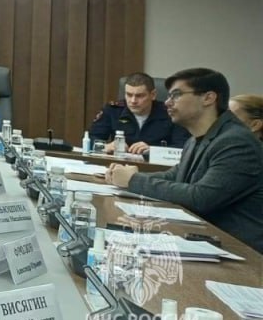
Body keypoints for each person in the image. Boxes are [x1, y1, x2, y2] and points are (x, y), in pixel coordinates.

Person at [106, 68, 263, 252]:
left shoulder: (236, 142)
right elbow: (175, 176)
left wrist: (133, 180)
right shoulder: (197, 138)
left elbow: (200, 198)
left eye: (176, 95)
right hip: (204, 239)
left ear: (208, 98)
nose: (167, 102)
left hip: (240, 251)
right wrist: (127, 175)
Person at [89, 72, 188, 154]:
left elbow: (183, 147)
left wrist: (153, 150)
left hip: (155, 167)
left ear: (153, 95)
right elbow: (91, 138)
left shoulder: (170, 112)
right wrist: (105, 146)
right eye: (129, 95)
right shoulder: (113, 110)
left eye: (139, 96)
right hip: (118, 164)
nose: (133, 101)